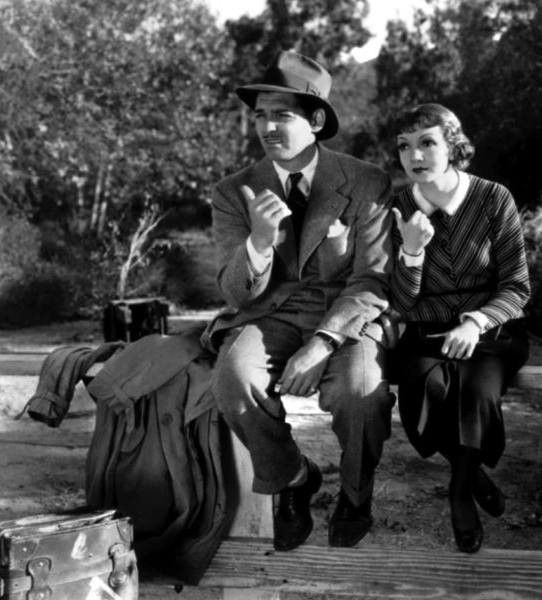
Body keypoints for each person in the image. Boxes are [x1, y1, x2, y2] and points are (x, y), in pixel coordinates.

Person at [201, 51, 395, 551]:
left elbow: (372, 279)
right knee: (233, 377)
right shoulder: (234, 191)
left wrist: (322, 344)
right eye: (260, 115)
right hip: (272, 314)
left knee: (361, 392)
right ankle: (292, 478)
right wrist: (258, 243)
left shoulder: (367, 181)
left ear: (315, 121)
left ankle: (355, 496)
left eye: (282, 115)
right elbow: (235, 292)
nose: (268, 127)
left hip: (348, 317)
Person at [390, 103, 530, 553]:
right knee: (420, 393)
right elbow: (401, 303)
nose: (414, 155)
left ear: (453, 146)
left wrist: (475, 322)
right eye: (404, 146)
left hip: (492, 331)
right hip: (426, 331)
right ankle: (475, 476)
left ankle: (459, 493)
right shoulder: (397, 208)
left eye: (427, 142)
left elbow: (517, 286)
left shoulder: (493, 198)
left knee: (478, 393)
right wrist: (412, 252)